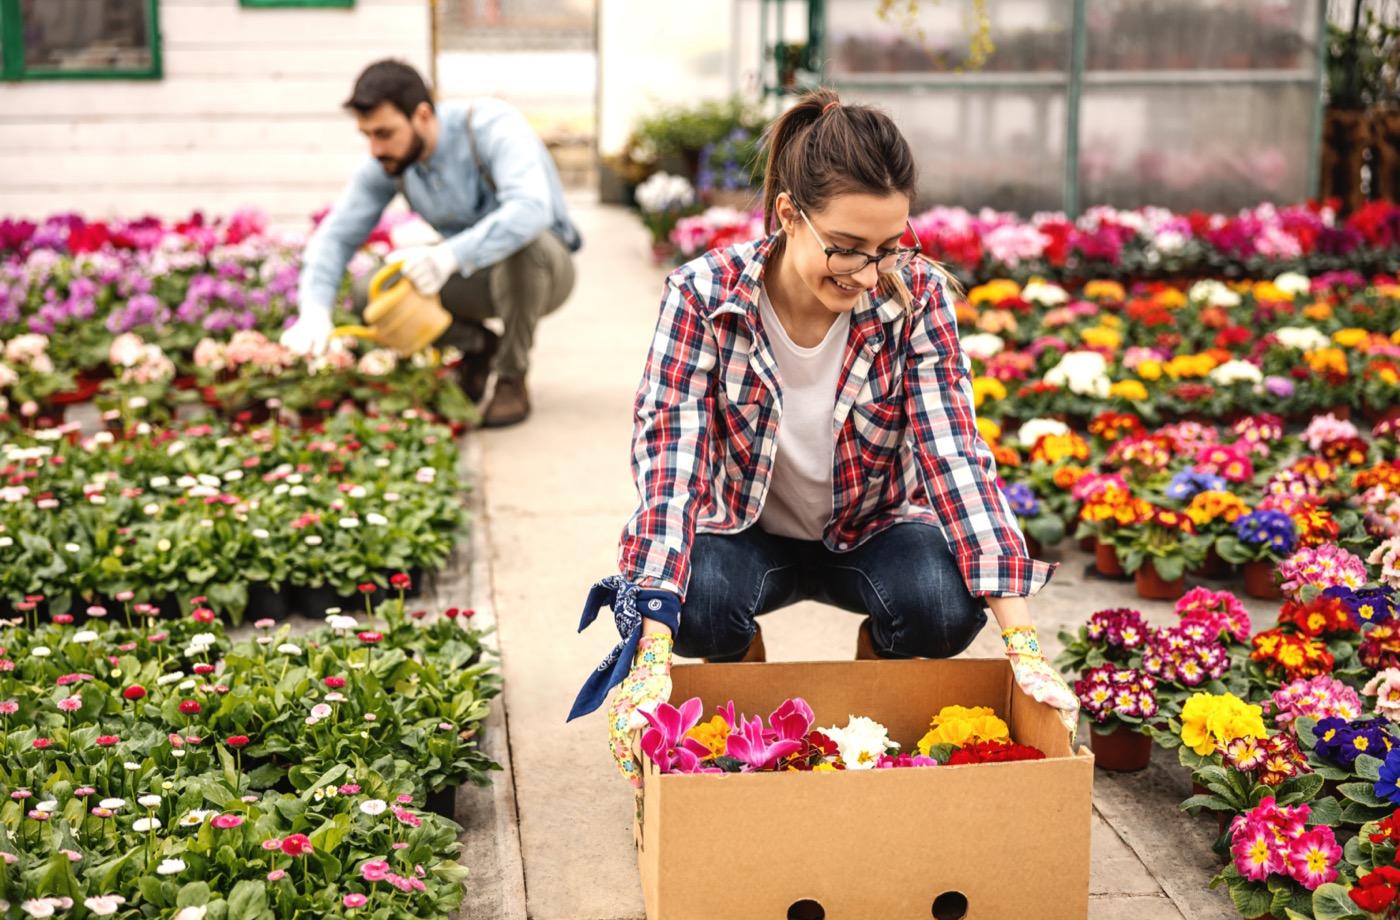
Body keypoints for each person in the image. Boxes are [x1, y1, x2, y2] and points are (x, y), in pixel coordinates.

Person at [568, 89, 1080, 785]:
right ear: (788, 214)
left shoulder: (916, 296)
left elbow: (953, 452)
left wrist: (1023, 644)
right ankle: (741, 691)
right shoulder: (703, 296)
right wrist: (652, 651)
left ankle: (877, 685)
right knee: (697, 603)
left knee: (942, 600)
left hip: (871, 530)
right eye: (846, 248)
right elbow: (671, 464)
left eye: (888, 248)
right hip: (744, 532)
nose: (869, 274)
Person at [281, 59, 581, 427]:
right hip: (473, 276)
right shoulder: (390, 160)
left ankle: (510, 377)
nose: (375, 148)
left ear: (422, 115)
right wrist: (314, 311)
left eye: (384, 133)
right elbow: (337, 235)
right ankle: (477, 347)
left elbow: (532, 209)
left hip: (544, 269)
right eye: (368, 135)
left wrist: (448, 256)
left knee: (522, 244)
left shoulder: (490, 126)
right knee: (370, 292)